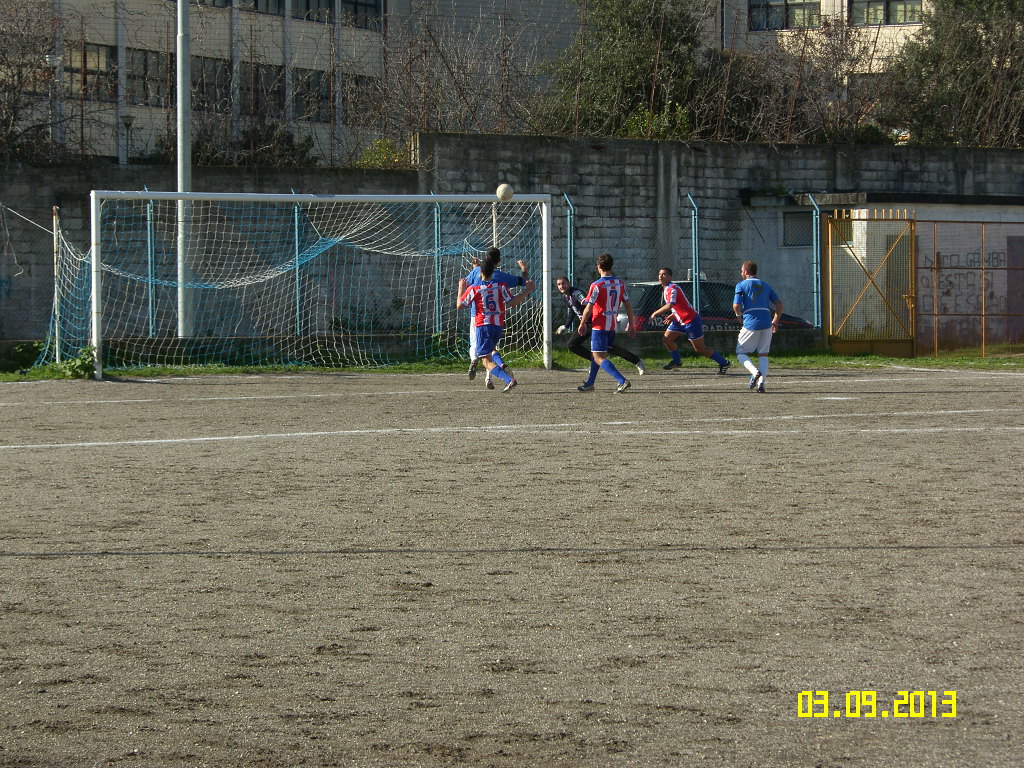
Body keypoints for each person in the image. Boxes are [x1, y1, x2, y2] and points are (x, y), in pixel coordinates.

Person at [458, 258, 534, 392]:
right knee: (492, 351)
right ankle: (502, 367)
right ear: (493, 272)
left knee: (485, 360)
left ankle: (509, 380)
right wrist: (527, 291)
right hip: (498, 325)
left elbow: (460, 305)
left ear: (480, 272)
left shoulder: (474, 288)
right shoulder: (500, 286)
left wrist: (461, 288)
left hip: (483, 325)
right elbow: (512, 302)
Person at [555, 275, 645, 376]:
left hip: (595, 323)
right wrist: (566, 326)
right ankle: (595, 361)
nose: (561, 286)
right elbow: (572, 311)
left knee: (609, 347)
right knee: (572, 345)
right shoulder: (566, 297)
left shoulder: (576, 293)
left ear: (569, 283)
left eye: (564, 283)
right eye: (559, 284)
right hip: (585, 325)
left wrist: (588, 316)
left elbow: (587, 303)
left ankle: (638, 361)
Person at [648, 267, 731, 374]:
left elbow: (670, 305)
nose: (661, 276)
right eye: (659, 274)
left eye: (664, 274)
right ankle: (677, 361)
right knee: (667, 339)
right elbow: (679, 305)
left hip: (691, 320)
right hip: (679, 320)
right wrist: (673, 315)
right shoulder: (666, 289)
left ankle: (724, 362)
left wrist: (654, 313)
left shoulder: (673, 288)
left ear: (670, 277)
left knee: (699, 348)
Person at [576, 253, 636, 393]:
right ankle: (590, 383)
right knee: (596, 355)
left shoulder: (597, 285)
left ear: (598, 267)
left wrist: (582, 323)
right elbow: (627, 305)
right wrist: (631, 324)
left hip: (599, 325)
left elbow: (589, 307)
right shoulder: (620, 283)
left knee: (598, 357)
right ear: (611, 266)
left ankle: (622, 381)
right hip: (611, 326)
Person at [732, 260, 783, 394]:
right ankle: (761, 384)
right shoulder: (765, 285)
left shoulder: (741, 285)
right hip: (767, 322)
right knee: (763, 354)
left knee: (741, 353)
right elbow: (779, 305)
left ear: (746, 272)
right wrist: (775, 321)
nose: (741, 273)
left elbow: (736, 305)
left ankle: (755, 372)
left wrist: (738, 315)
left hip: (751, 322)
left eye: (742, 271)